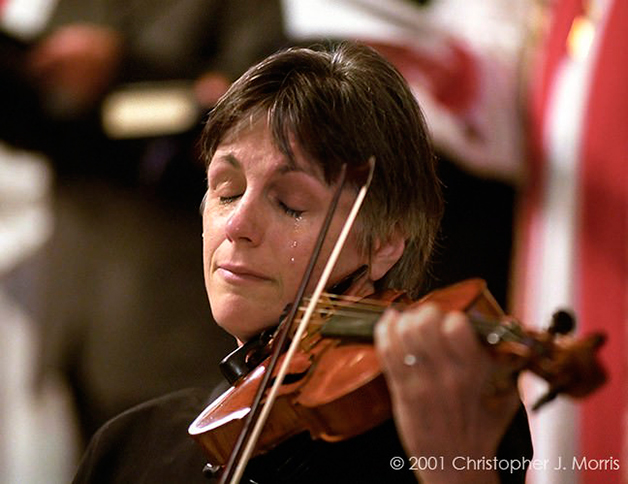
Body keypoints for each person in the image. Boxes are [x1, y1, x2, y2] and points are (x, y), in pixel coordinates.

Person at [72, 41, 532, 484]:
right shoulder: (129, 448)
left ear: (386, 243)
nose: (238, 224)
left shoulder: (453, 417)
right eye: (226, 192)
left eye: (291, 204)